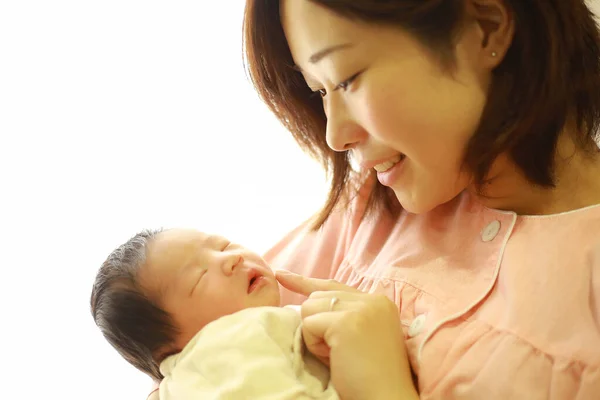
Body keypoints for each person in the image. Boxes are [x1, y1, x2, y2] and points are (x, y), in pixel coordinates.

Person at [235, 0, 600, 399]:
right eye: (319, 90)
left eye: (346, 79)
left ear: (486, 28)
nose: (334, 136)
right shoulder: (371, 206)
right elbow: (187, 355)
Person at [91, 228, 339, 399]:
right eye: (200, 277)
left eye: (223, 245)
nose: (232, 259)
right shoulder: (230, 344)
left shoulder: (182, 383)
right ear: (170, 348)